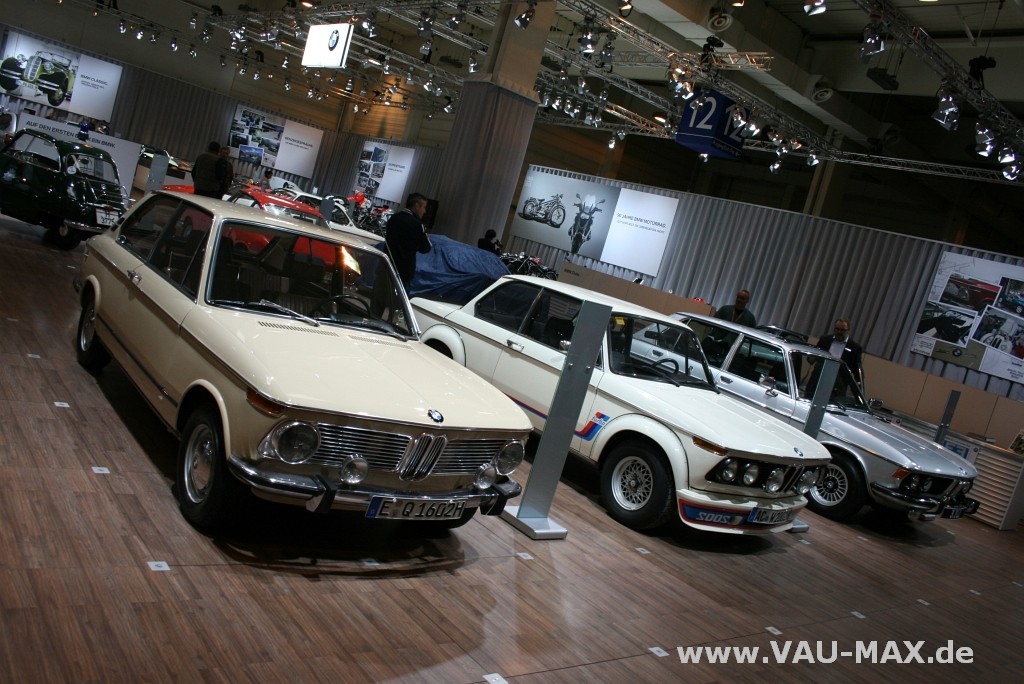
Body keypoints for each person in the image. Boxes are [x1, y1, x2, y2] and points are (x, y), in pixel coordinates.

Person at [384, 192, 432, 291]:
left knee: (379, 296)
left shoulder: (393, 218)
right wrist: (415, 245)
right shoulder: (417, 224)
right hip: (403, 272)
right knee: (398, 300)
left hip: (386, 266)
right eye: (424, 207)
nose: (424, 211)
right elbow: (426, 247)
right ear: (417, 205)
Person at [815, 318, 863, 386]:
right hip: (818, 376)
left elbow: (856, 369)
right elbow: (815, 356)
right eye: (837, 329)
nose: (839, 332)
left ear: (848, 330)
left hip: (840, 382)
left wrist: (859, 384)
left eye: (842, 330)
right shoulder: (825, 340)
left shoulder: (855, 348)